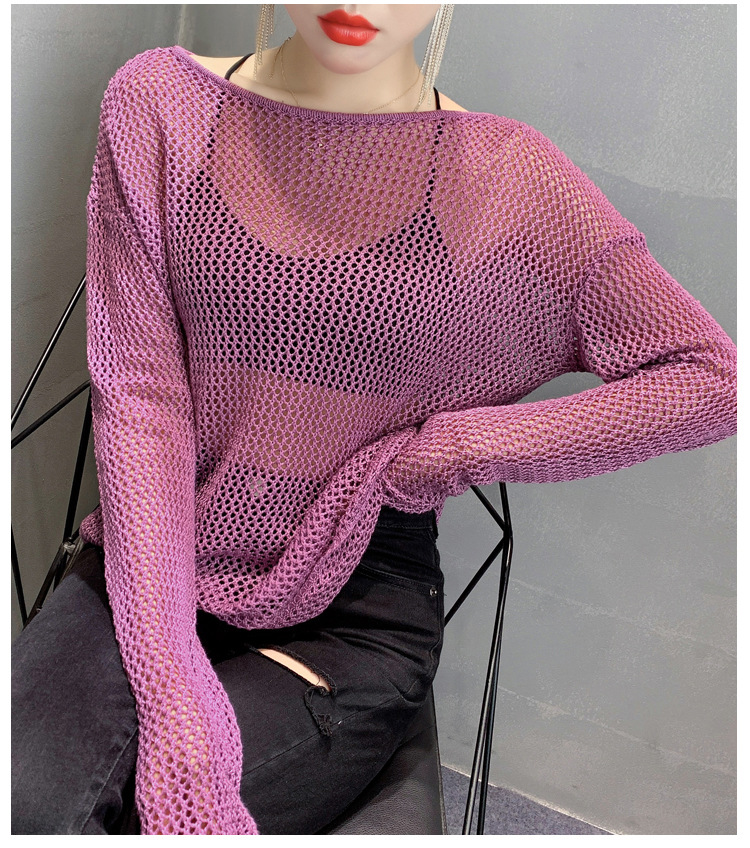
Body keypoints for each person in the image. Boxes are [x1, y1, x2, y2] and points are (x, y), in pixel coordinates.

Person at [11, 4, 736, 836]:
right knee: (27, 803)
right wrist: (170, 678)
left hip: (357, 605)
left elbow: (707, 378)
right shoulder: (159, 105)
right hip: (161, 545)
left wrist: (456, 448)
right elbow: (141, 398)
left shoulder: (505, 177)